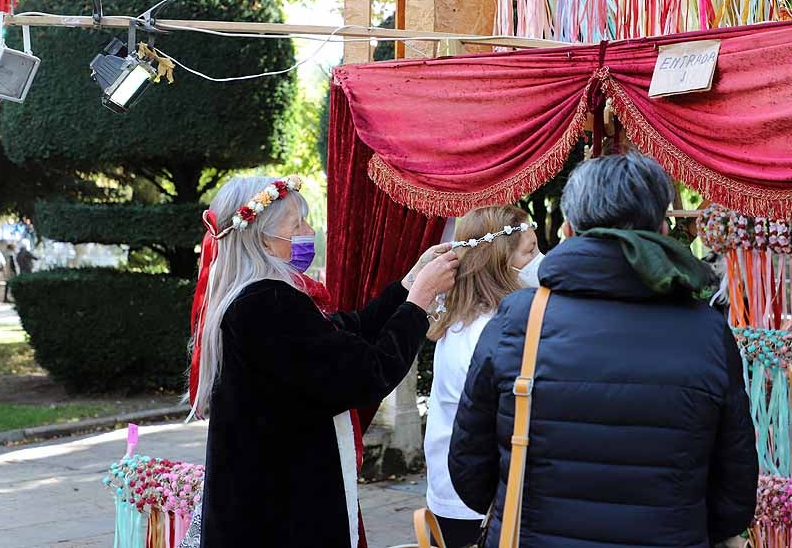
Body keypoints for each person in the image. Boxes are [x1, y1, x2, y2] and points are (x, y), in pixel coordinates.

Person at [449, 153, 759, 548]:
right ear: (663, 227)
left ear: (568, 229)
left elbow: (469, 474)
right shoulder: (707, 331)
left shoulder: (519, 321)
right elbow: (734, 496)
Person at [181, 175, 458, 548]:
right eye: (297, 223)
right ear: (263, 236)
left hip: (261, 501)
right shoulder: (267, 303)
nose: (309, 231)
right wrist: (420, 302)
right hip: (278, 511)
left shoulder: (255, 298)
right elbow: (366, 372)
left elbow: (347, 331)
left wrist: (407, 286)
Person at [424, 206, 542, 548]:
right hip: (474, 499)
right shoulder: (489, 330)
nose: (540, 259)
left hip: (456, 489)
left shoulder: (466, 316)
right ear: (499, 261)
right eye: (530, 250)